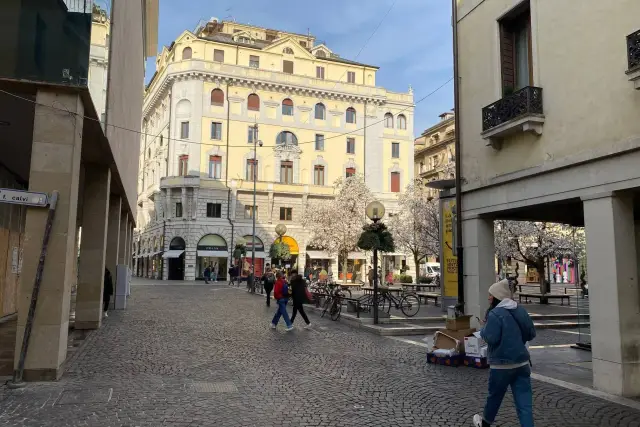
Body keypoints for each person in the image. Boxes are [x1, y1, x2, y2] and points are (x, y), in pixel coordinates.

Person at [473, 279, 536, 427]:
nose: (488, 297)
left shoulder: (495, 314)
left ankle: (485, 423)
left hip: (501, 365)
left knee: (494, 397)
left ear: (497, 297)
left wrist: (484, 329)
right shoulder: (520, 310)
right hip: (522, 363)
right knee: (524, 404)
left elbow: (491, 338)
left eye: (490, 295)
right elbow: (531, 333)